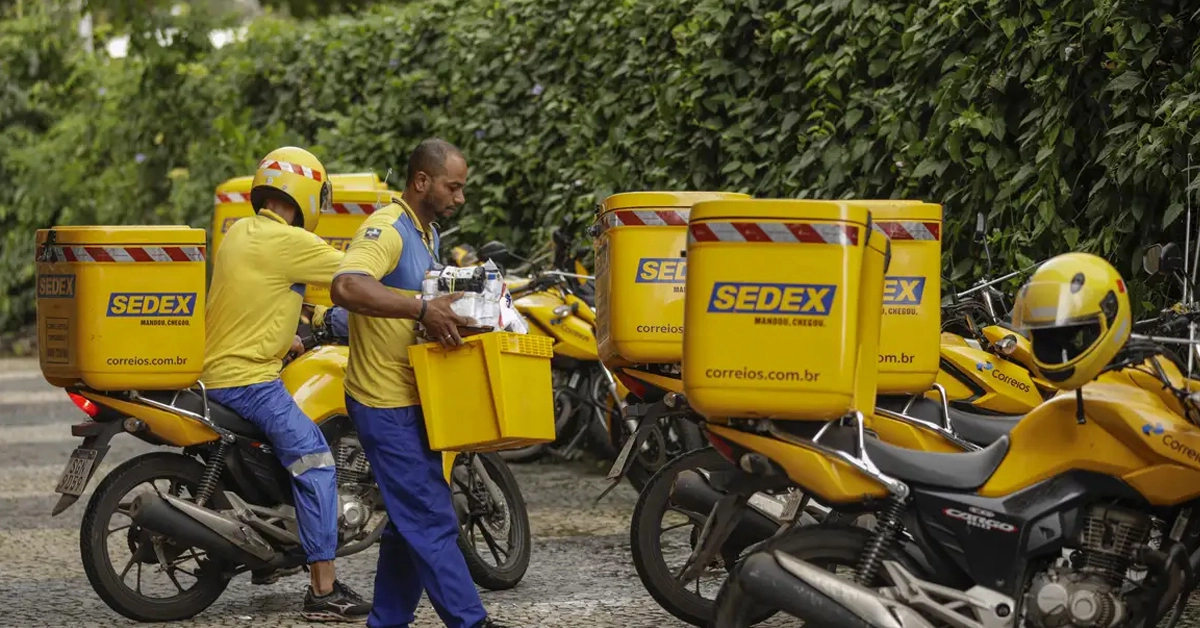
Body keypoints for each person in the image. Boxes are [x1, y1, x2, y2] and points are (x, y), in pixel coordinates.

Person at [330, 138, 508, 628]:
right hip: (383, 401)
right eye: (454, 186)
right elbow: (346, 286)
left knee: (409, 523)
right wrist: (424, 309)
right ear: (422, 181)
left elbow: (412, 308)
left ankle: (386, 621)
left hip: (416, 398)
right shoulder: (387, 228)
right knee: (431, 518)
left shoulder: (424, 234)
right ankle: (472, 622)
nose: (460, 197)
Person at [201, 146, 372, 622]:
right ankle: (323, 591)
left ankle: (270, 556)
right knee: (317, 463)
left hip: (217, 372)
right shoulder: (287, 241)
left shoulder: (239, 234)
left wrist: (292, 338)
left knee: (285, 455)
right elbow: (356, 275)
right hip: (248, 381)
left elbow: (260, 298)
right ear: (305, 193)